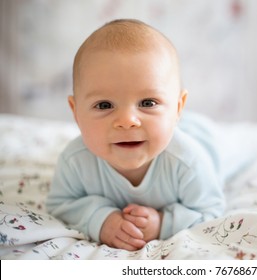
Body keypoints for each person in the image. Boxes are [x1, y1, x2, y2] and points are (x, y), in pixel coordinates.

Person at [46, 19, 225, 251]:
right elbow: (59, 205)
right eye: (104, 105)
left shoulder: (189, 161)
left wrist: (163, 223)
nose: (127, 121)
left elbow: (210, 210)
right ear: (76, 112)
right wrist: (101, 219)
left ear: (178, 107)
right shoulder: (75, 161)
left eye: (148, 102)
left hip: (206, 137)